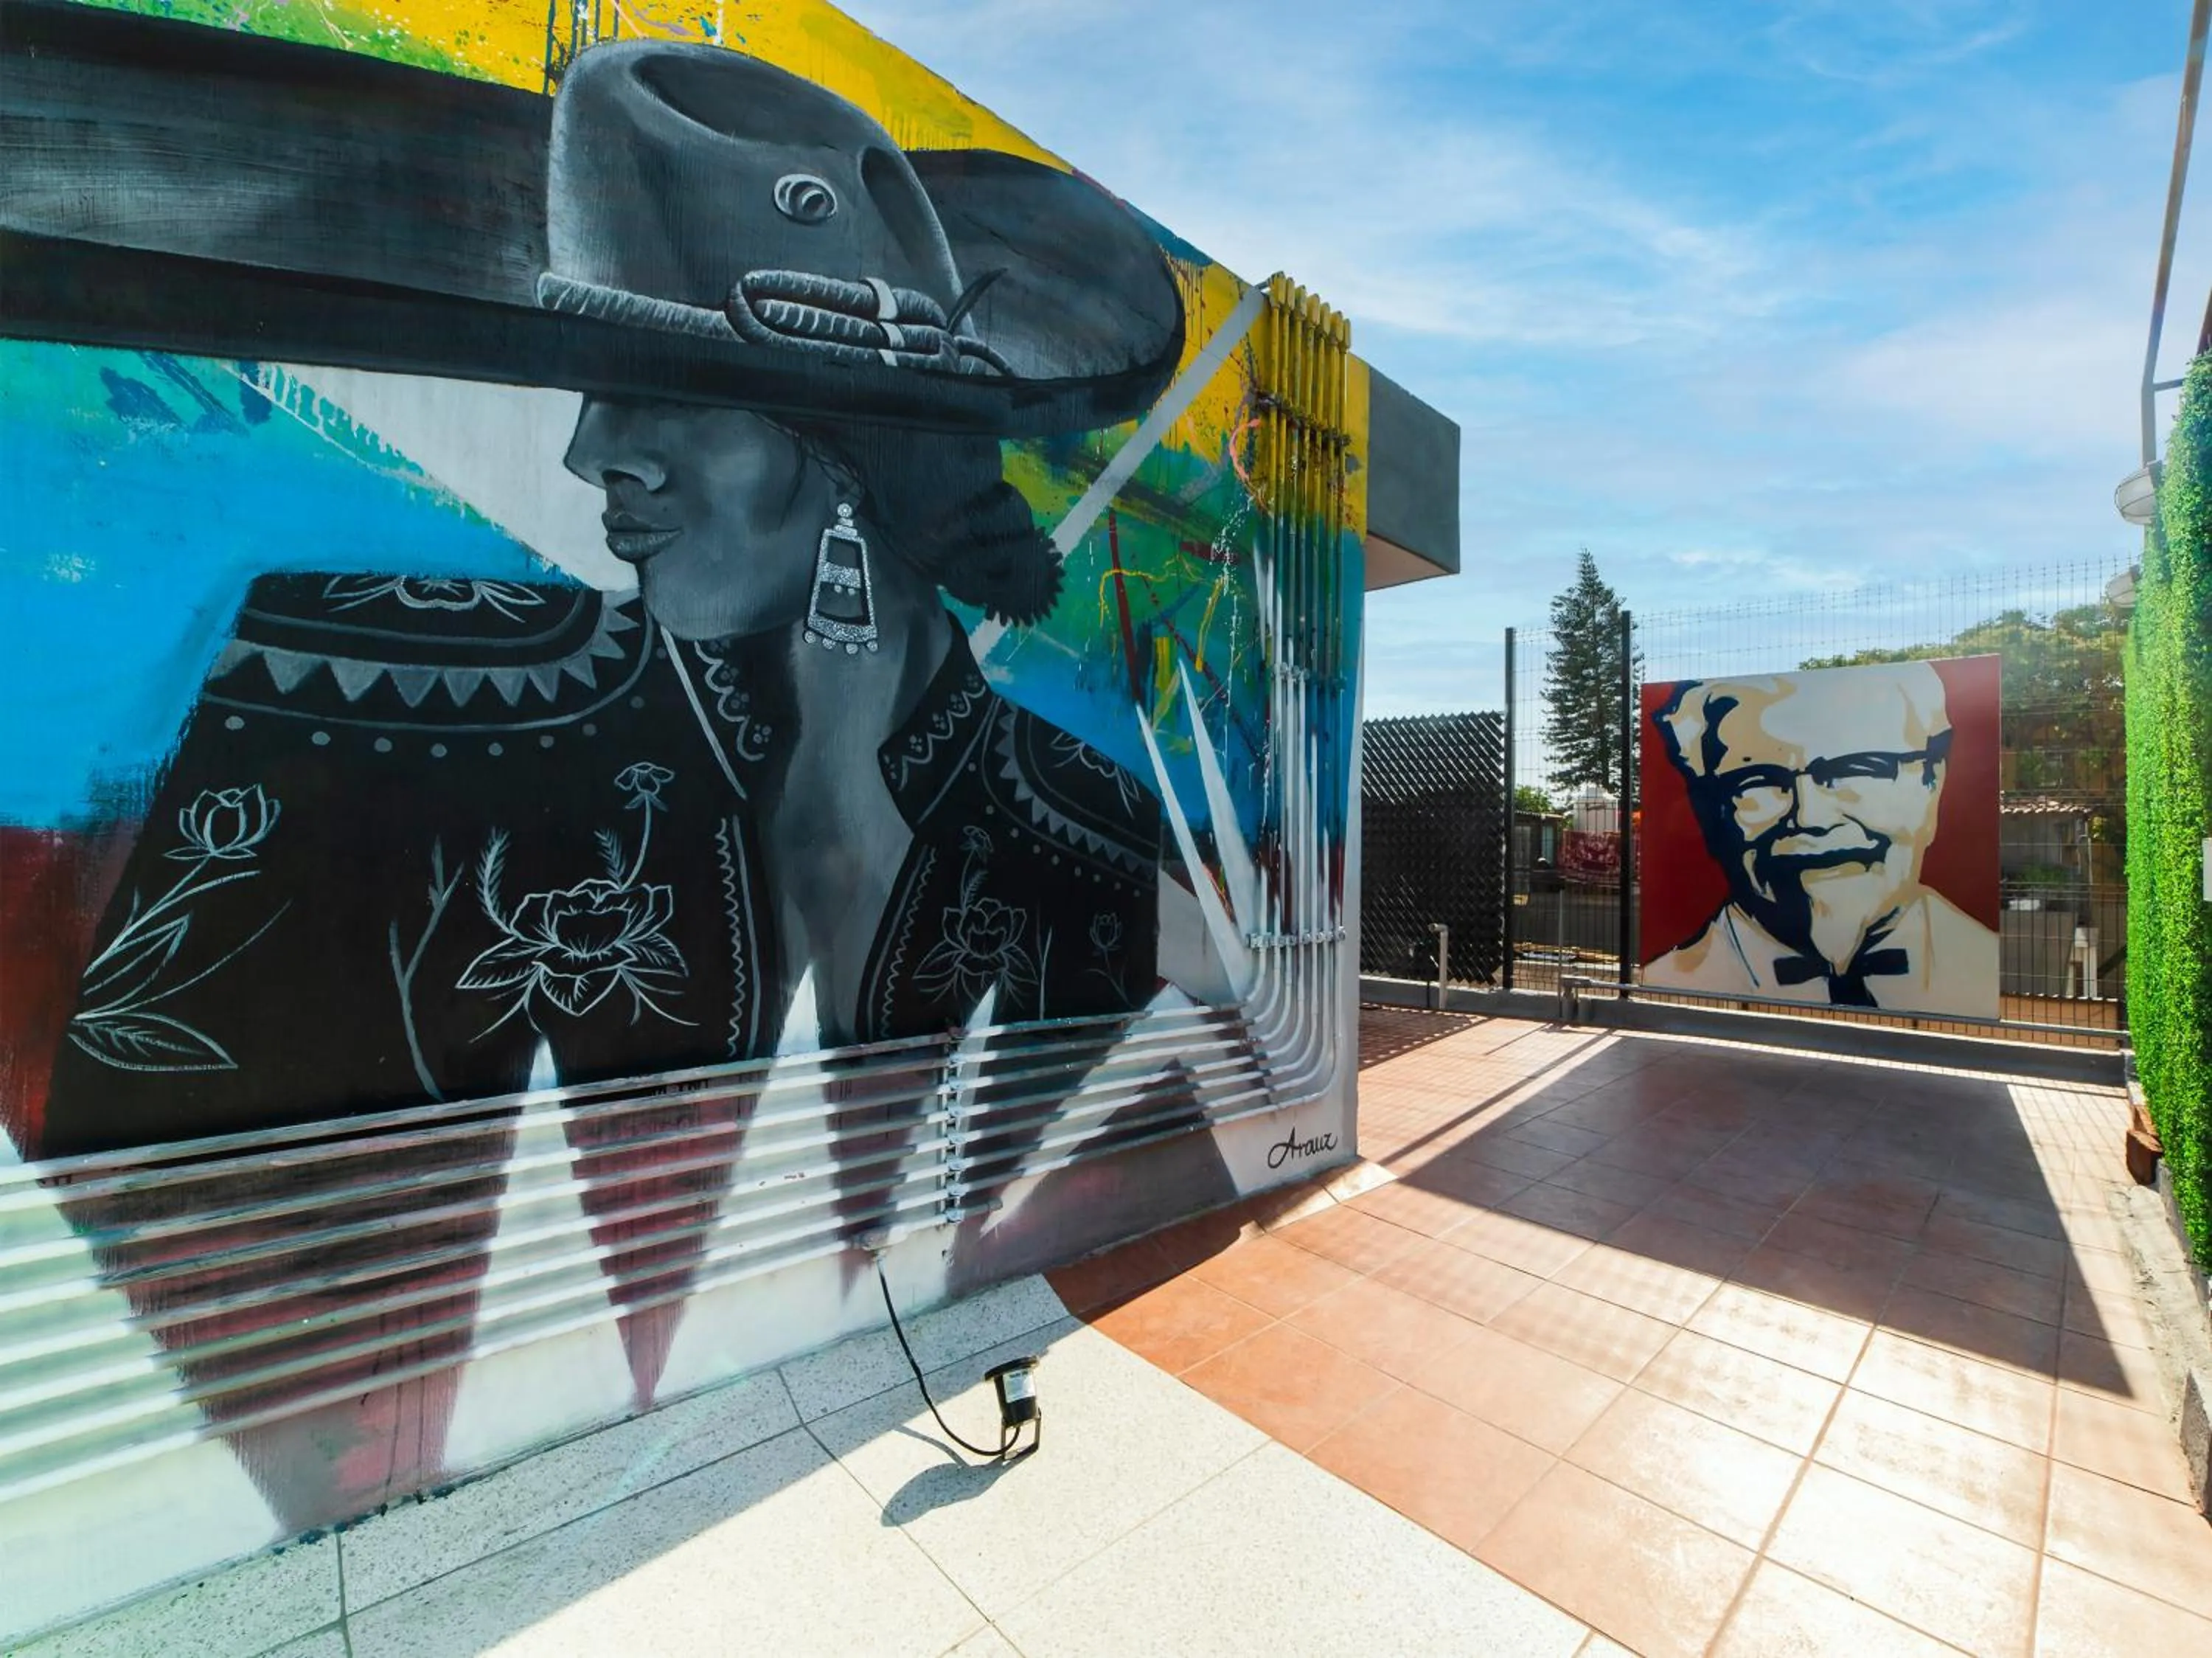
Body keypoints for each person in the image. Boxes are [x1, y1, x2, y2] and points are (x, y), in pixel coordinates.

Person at [1643, 660, 1998, 1020]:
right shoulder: (1672, 979)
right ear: (1708, 812)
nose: (1812, 818)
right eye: (1758, 781)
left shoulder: (1981, 960)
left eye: (1859, 768)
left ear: (1931, 784)